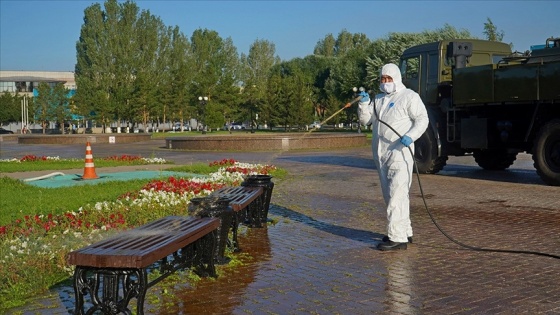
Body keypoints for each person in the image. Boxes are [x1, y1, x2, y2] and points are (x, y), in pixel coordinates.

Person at [349, 63, 429, 251]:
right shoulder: (378, 99)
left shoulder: (409, 96)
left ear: (396, 78)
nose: (385, 82)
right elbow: (366, 120)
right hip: (381, 154)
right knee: (391, 195)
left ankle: (396, 238)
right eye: (382, 79)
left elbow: (422, 119)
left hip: (400, 153)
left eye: (388, 79)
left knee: (396, 195)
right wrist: (363, 104)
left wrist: (412, 135)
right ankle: (404, 231)